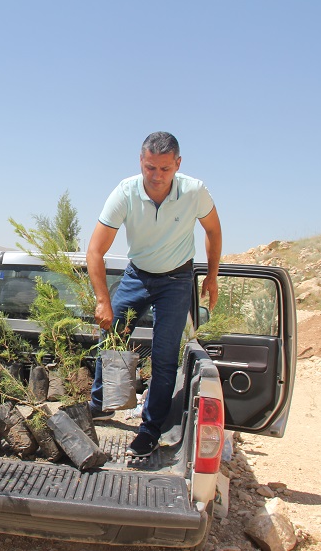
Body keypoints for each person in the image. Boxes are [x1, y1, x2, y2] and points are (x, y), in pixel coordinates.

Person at [86, 131, 222, 457]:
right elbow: (95, 250)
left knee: (163, 357)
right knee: (113, 334)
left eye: (164, 169)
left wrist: (213, 276)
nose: (157, 176)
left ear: (177, 164)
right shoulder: (125, 192)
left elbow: (213, 231)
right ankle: (103, 402)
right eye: (150, 168)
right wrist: (103, 300)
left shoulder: (194, 191)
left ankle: (149, 431)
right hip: (137, 274)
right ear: (140, 162)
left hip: (177, 280)